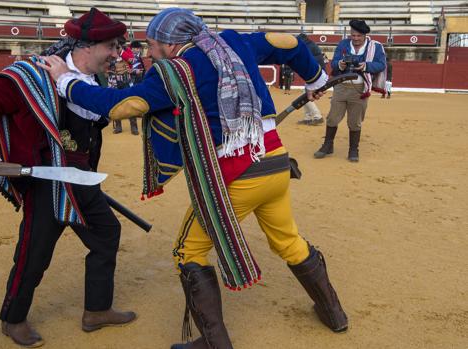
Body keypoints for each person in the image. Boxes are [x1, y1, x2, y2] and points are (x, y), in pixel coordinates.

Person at [38, 8, 348, 348]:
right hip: (274, 163)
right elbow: (287, 42)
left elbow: (120, 106)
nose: (150, 53)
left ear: (172, 45)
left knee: (188, 251)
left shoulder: (175, 71)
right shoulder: (231, 41)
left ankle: (214, 343)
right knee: (287, 240)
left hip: (236, 175)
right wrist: (316, 78)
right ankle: (333, 313)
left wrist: (66, 80)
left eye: (153, 45)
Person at [0, 8, 136, 347]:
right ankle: (13, 319)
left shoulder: (94, 81)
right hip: (45, 181)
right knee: (35, 251)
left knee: (107, 233)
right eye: (111, 46)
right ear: (88, 46)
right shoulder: (33, 73)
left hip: (81, 179)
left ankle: (96, 310)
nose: (116, 54)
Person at [314, 19, 386, 162]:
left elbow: (381, 65)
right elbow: (333, 64)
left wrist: (366, 66)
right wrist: (339, 65)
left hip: (360, 89)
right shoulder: (343, 44)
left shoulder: (375, 47)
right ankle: (328, 145)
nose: (356, 39)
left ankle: (353, 149)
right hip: (341, 86)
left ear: (365, 35)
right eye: (353, 35)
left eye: (359, 36)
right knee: (332, 118)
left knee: (355, 121)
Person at [111, 40, 139, 135]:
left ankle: (134, 127)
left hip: (126, 80)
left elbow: (132, 60)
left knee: (130, 102)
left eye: (117, 45)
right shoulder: (110, 51)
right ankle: (118, 127)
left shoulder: (126, 51)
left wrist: (121, 51)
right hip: (115, 81)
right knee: (116, 103)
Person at [297, 33, 325, 125]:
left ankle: (318, 116)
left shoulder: (307, 47)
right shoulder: (311, 44)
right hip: (317, 73)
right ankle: (308, 117)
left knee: (306, 95)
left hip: (315, 74)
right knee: (304, 94)